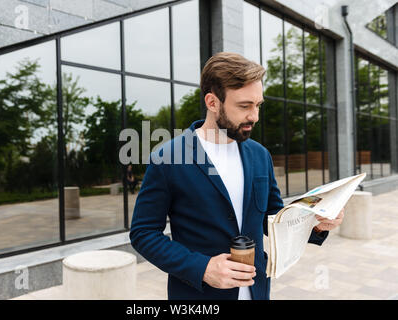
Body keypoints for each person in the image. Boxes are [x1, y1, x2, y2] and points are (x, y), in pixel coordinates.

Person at [129, 52, 344, 300]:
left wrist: (315, 224)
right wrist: (202, 268)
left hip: (257, 292)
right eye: (244, 106)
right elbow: (143, 233)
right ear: (212, 102)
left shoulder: (260, 155)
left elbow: (272, 218)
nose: (254, 116)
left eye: (257, 105)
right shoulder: (167, 158)